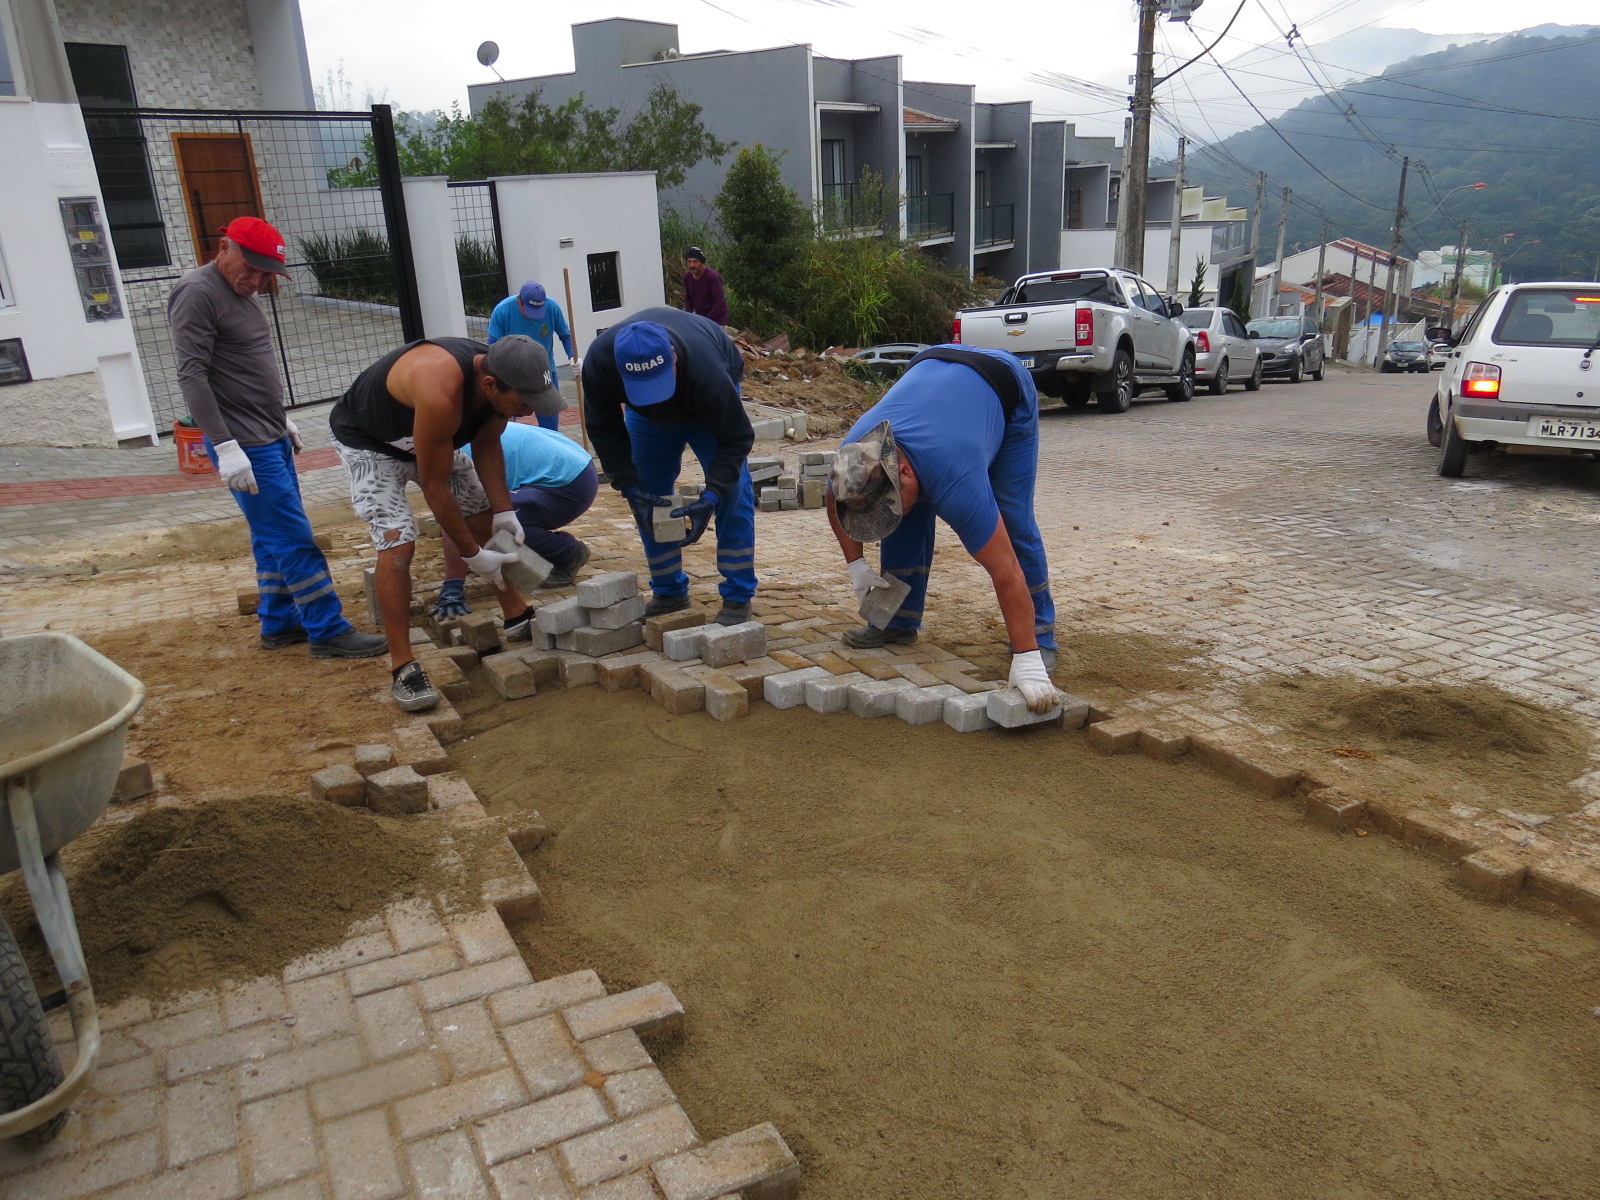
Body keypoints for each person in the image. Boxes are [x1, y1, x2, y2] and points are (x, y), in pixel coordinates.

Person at [168, 215, 385, 661]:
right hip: (243, 444)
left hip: (267, 435)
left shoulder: (240, 295)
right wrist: (225, 446)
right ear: (224, 246)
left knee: (270, 536)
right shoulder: (198, 292)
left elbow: (243, 368)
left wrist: (279, 418)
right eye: (250, 267)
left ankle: (280, 622)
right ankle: (327, 629)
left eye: (266, 273)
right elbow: (193, 374)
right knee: (293, 536)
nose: (257, 279)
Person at [329, 333, 565, 711]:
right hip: (370, 446)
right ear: (490, 386)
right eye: (523, 403)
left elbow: (488, 444)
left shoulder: (500, 376)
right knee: (399, 545)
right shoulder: (441, 390)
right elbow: (434, 485)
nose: (527, 411)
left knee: (485, 516)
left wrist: (504, 512)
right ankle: (403, 666)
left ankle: (516, 614)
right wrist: (472, 555)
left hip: (430, 441)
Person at [827, 345, 1061, 713]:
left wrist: (1026, 657)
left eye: (893, 499)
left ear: (903, 471)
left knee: (1012, 522)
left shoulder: (958, 483)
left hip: (1004, 386)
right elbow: (834, 500)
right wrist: (855, 564)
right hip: (933, 365)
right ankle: (896, 622)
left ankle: (1040, 638)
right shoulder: (854, 457)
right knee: (901, 520)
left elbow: (1005, 570)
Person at [580, 308, 756, 625]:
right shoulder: (599, 362)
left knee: (734, 490)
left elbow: (738, 437)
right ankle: (669, 591)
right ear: (620, 371)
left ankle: (737, 596)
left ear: (673, 357)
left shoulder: (707, 371)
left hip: (707, 411)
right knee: (649, 497)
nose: (655, 398)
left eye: (657, 384)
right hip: (644, 419)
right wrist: (630, 487)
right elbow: (604, 430)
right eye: (641, 385)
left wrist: (712, 495)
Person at [432, 420, 599, 618]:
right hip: (574, 464)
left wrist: (453, 584)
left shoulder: (453, 456)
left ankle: (567, 552)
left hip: (569, 482)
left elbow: (461, 520)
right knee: (487, 520)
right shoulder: (459, 431)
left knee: (491, 523)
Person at [487, 282, 577, 432]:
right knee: (508, 424)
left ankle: (548, 452)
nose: (534, 315)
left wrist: (573, 357)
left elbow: (565, 335)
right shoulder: (502, 311)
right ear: (520, 301)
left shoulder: (552, 307)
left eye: (538, 310)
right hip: (511, 374)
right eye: (530, 309)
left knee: (550, 420)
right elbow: (491, 346)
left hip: (544, 371)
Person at [682, 247, 729, 328]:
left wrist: (706, 320)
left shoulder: (712, 277)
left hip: (717, 320)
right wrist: (688, 317)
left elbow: (720, 302)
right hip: (701, 318)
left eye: (695, 262)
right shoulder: (687, 277)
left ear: (702, 262)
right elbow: (688, 300)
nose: (692, 265)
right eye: (689, 262)